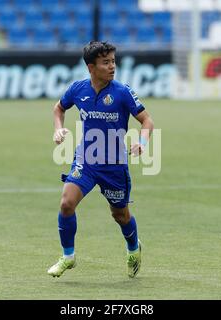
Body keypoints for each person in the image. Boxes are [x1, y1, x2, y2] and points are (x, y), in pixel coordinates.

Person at [48, 41, 154, 278]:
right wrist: (58, 129)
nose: (112, 67)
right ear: (91, 67)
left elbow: (148, 121)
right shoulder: (78, 89)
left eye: (113, 62)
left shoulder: (122, 92)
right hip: (85, 160)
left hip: (114, 166)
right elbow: (58, 109)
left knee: (120, 215)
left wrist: (142, 143)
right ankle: (68, 257)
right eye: (106, 62)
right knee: (66, 203)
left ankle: (134, 248)